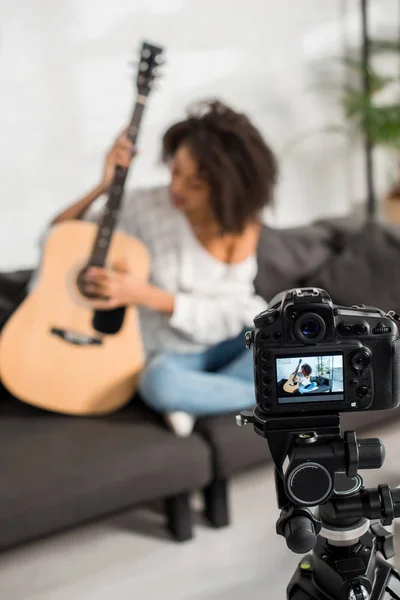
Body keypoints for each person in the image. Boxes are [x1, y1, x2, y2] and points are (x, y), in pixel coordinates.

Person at [47, 99, 278, 436]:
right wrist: (104, 185)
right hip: (171, 355)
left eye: (195, 184)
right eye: (175, 171)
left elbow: (232, 312)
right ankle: (270, 396)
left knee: (281, 335)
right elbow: (57, 241)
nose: (177, 188)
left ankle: (199, 397)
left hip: (229, 340)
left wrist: (149, 296)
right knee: (159, 384)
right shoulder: (143, 208)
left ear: (227, 189)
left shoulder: (241, 225)